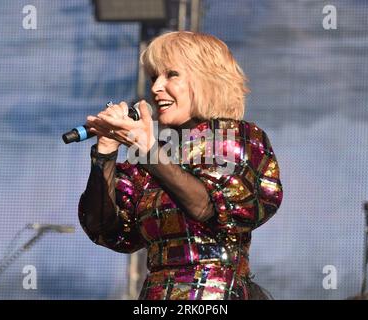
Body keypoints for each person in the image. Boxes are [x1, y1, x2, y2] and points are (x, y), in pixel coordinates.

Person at [79, 31, 283, 300]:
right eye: (154, 77)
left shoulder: (238, 137)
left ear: (206, 79)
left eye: (171, 75)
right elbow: (105, 229)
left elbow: (205, 206)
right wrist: (105, 152)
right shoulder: (158, 151)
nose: (155, 88)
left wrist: (147, 149)